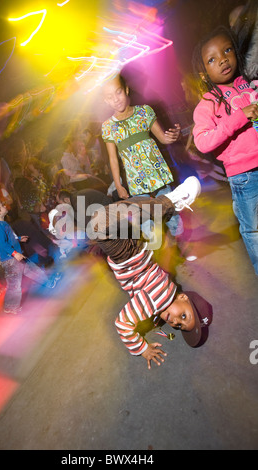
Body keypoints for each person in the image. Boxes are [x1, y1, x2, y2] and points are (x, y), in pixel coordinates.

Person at [88, 176, 212, 370]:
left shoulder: (162, 296)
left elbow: (159, 271)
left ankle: (168, 202)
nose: (175, 321)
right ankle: (171, 202)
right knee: (99, 222)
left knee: (117, 211)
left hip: (136, 251)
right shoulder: (156, 301)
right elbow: (122, 324)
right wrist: (142, 348)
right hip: (129, 255)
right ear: (183, 298)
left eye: (178, 326)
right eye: (184, 317)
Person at [102, 73, 195, 261]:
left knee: (171, 211)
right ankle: (158, 257)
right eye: (109, 96)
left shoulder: (144, 111)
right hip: (136, 180)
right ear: (105, 100)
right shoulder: (108, 127)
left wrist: (173, 136)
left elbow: (162, 137)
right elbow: (113, 159)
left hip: (157, 173)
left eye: (118, 92)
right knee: (145, 219)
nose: (115, 99)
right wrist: (119, 185)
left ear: (126, 90)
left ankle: (181, 245)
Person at [192, 25, 258, 275]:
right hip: (244, 176)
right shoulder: (207, 103)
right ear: (203, 72)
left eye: (227, 50)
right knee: (254, 230)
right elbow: (203, 141)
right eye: (212, 59)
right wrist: (238, 118)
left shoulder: (250, 85)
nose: (222, 59)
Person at [0, 199, 60, 314]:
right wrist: (14, 253)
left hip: (15, 257)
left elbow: (9, 239)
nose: (5, 205)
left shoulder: (3, 223)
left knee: (33, 270)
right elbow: (3, 244)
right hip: (10, 260)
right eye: (2, 205)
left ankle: (48, 282)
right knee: (14, 285)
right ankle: (9, 307)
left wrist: (18, 238)